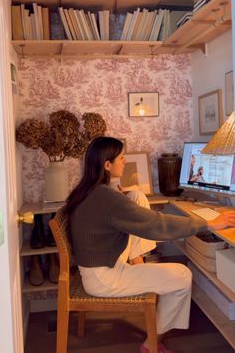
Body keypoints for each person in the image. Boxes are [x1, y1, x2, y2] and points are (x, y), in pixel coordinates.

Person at [65, 137, 235, 353]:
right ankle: (151, 343)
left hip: (98, 262)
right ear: (107, 165)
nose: (125, 160)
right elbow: (156, 224)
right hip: (104, 277)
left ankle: (138, 262)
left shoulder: (91, 190)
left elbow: (124, 213)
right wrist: (208, 223)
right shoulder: (108, 199)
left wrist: (126, 198)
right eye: (121, 157)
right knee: (183, 275)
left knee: (136, 196)